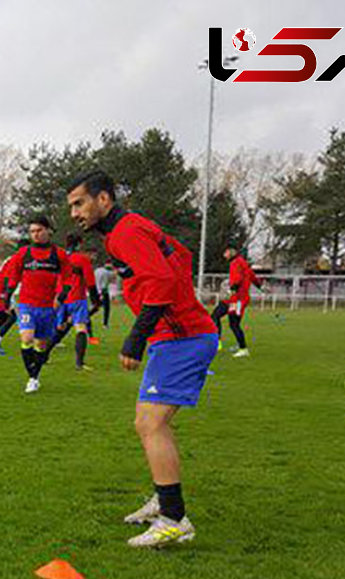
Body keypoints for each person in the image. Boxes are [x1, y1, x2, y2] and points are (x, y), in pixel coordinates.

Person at [68, 169, 217, 549]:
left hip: (182, 337)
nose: (74, 213)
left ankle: (173, 518)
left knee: (150, 425)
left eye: (79, 203)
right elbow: (179, 259)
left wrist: (137, 337)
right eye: (71, 206)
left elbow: (165, 280)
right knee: (150, 424)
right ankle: (165, 500)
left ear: (104, 200)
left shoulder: (126, 232)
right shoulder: (129, 230)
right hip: (175, 336)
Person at [3, 215, 70, 393]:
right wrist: (8, 294)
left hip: (48, 307)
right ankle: (32, 378)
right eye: (32, 231)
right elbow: (14, 276)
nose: (36, 234)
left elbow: (68, 279)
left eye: (39, 230)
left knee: (41, 346)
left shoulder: (59, 254)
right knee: (26, 338)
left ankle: (34, 377)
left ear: (48, 230)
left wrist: (62, 295)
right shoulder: (23, 253)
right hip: (27, 304)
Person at [51, 233, 101, 371]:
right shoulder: (82, 259)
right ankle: (79, 363)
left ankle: (43, 356)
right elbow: (91, 283)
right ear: (79, 244)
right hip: (77, 298)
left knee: (60, 328)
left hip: (60, 298)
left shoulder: (60, 258)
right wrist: (96, 302)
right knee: (81, 329)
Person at [210, 245, 263, 357]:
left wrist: (233, 288)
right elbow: (252, 276)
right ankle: (218, 343)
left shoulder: (235, 263)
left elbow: (237, 279)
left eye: (225, 252)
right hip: (235, 300)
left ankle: (243, 349)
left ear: (231, 252)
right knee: (216, 316)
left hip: (237, 300)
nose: (224, 255)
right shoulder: (243, 262)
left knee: (233, 324)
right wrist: (259, 286)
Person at [94, 262, 114, 330]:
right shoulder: (107, 272)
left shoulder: (96, 271)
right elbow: (111, 280)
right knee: (106, 308)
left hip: (96, 290)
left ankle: (85, 319)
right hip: (103, 291)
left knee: (95, 307)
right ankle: (105, 324)